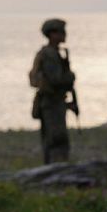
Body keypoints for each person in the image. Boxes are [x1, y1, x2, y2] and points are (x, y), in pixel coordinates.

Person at [29, 18, 77, 164]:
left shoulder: (55, 53)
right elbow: (56, 79)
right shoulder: (49, 55)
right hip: (51, 103)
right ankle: (56, 169)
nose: (64, 34)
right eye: (61, 32)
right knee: (56, 139)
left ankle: (57, 167)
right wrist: (70, 77)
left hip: (55, 102)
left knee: (55, 139)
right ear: (52, 34)